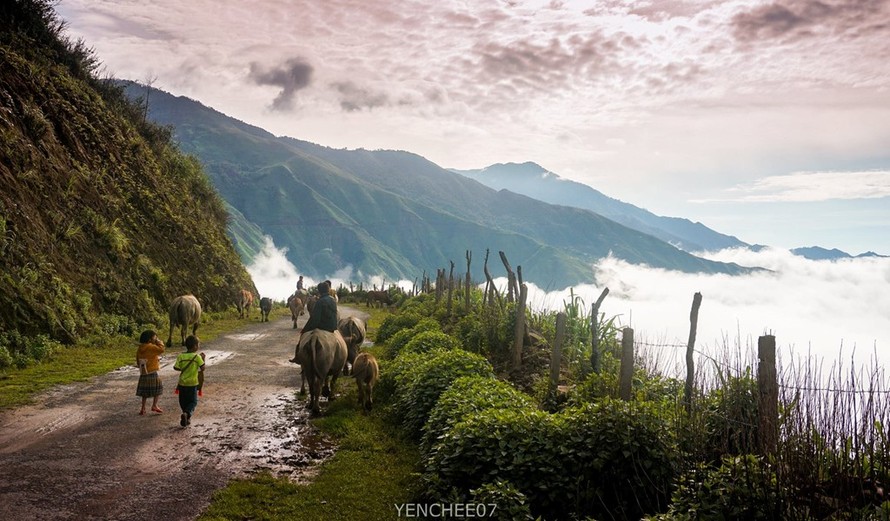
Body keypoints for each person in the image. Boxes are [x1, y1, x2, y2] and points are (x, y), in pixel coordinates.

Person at [289, 281, 338, 363]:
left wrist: (305, 329)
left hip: (323, 326)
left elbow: (315, 319)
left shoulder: (320, 301)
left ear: (319, 291)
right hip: (333, 327)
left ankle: (297, 357)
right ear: (328, 290)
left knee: (302, 337)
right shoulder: (333, 300)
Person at [174, 335, 205, 427]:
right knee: (193, 402)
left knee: (183, 401)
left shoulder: (181, 356)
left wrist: (184, 368)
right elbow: (202, 368)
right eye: (198, 344)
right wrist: (203, 359)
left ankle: (186, 416)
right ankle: (187, 413)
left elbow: (176, 367)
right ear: (195, 346)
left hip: (182, 383)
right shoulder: (197, 357)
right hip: (192, 383)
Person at [136, 330, 165, 415]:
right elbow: (161, 349)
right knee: (157, 389)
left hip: (144, 372)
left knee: (144, 391)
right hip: (152, 371)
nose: (156, 338)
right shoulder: (150, 347)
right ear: (150, 339)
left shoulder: (140, 348)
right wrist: (159, 342)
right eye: (154, 337)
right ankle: (154, 405)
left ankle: (143, 408)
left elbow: (137, 359)